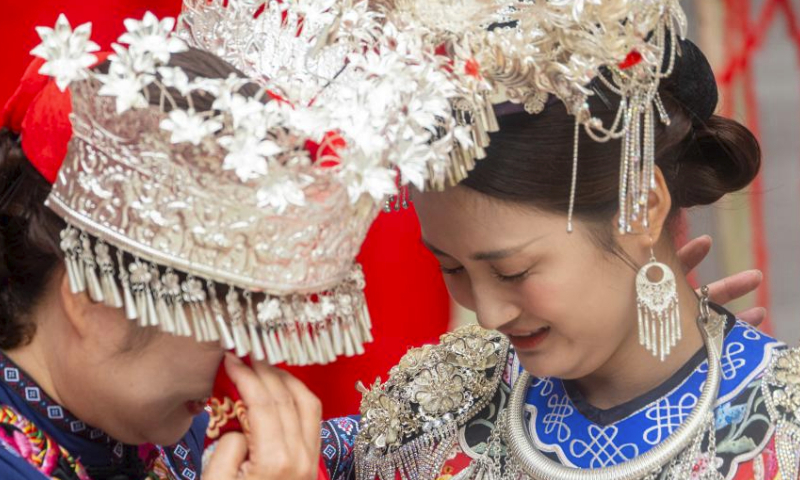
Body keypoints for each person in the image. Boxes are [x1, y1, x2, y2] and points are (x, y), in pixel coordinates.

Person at [341, 2, 799, 480]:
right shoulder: (428, 416)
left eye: (512, 271)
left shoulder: (784, 433)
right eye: (451, 268)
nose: (488, 314)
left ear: (640, 208)